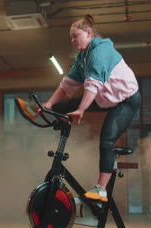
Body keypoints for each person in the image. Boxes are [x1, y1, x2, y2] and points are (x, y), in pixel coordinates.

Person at [41, 14, 141, 202]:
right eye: (71, 37)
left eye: (75, 36)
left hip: (126, 100)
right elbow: (67, 85)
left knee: (106, 141)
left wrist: (81, 110)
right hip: (107, 98)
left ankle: (101, 190)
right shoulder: (82, 58)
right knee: (67, 104)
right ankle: (46, 114)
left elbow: (93, 84)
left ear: (88, 33)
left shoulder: (100, 51)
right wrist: (49, 104)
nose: (72, 41)